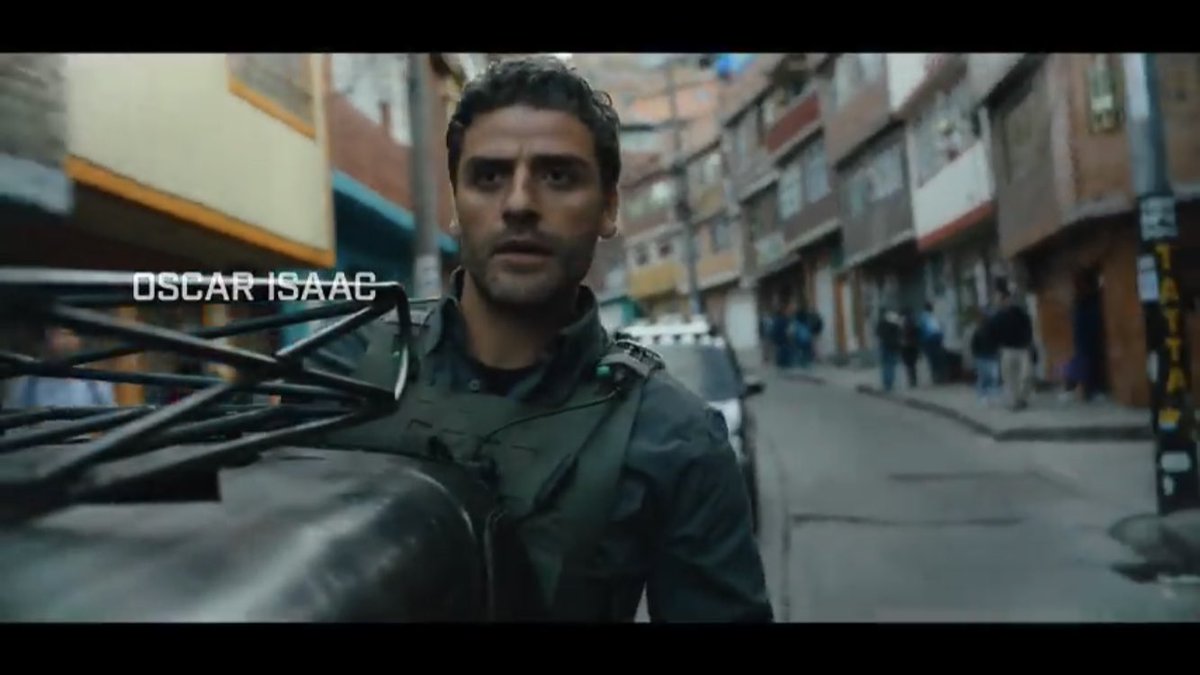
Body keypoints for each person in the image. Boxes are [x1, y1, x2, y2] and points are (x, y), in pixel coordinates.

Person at [335, 57, 771, 622]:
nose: (519, 203)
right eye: (488, 177)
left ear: (609, 207)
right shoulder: (343, 366)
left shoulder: (675, 440)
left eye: (558, 176)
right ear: (456, 205)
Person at [3, 327, 116, 410]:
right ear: (47, 335)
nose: (62, 339)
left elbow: (113, 425)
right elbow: (12, 428)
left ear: (78, 339)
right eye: (57, 332)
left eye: (68, 333)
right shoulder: (24, 384)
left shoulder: (97, 384)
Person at [990, 282, 1034, 411]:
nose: (1001, 302)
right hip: (1006, 350)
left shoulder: (1019, 313)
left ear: (1008, 299)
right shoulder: (997, 317)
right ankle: (1015, 401)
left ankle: (1022, 398)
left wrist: (1028, 341)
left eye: (1003, 299)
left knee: (1026, 375)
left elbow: (1028, 326)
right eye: (999, 300)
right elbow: (992, 333)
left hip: (1022, 349)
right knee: (1010, 378)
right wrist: (996, 347)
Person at [970, 306, 1001, 405]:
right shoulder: (983, 330)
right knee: (990, 377)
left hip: (985, 356)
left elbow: (974, 345)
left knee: (987, 377)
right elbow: (974, 344)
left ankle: (986, 396)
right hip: (987, 356)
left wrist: (976, 354)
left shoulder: (980, 330)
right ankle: (987, 396)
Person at [875, 307, 904, 392]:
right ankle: (890, 383)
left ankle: (886, 383)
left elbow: (878, 333)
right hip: (893, 347)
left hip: (884, 346)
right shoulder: (895, 325)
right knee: (891, 365)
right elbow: (899, 335)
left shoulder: (882, 324)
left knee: (885, 365)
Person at [918, 302, 945, 383]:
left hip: (928, 341)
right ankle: (939, 376)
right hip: (937, 340)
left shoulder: (923, 317)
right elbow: (940, 329)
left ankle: (935, 376)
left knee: (931, 359)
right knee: (938, 359)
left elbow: (921, 330)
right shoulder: (934, 317)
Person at [900, 309, 921, 388]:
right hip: (913, 345)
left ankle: (911, 380)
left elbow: (900, 335)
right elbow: (918, 333)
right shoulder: (914, 323)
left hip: (906, 346)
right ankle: (913, 379)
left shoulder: (902, 324)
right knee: (913, 364)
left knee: (908, 364)